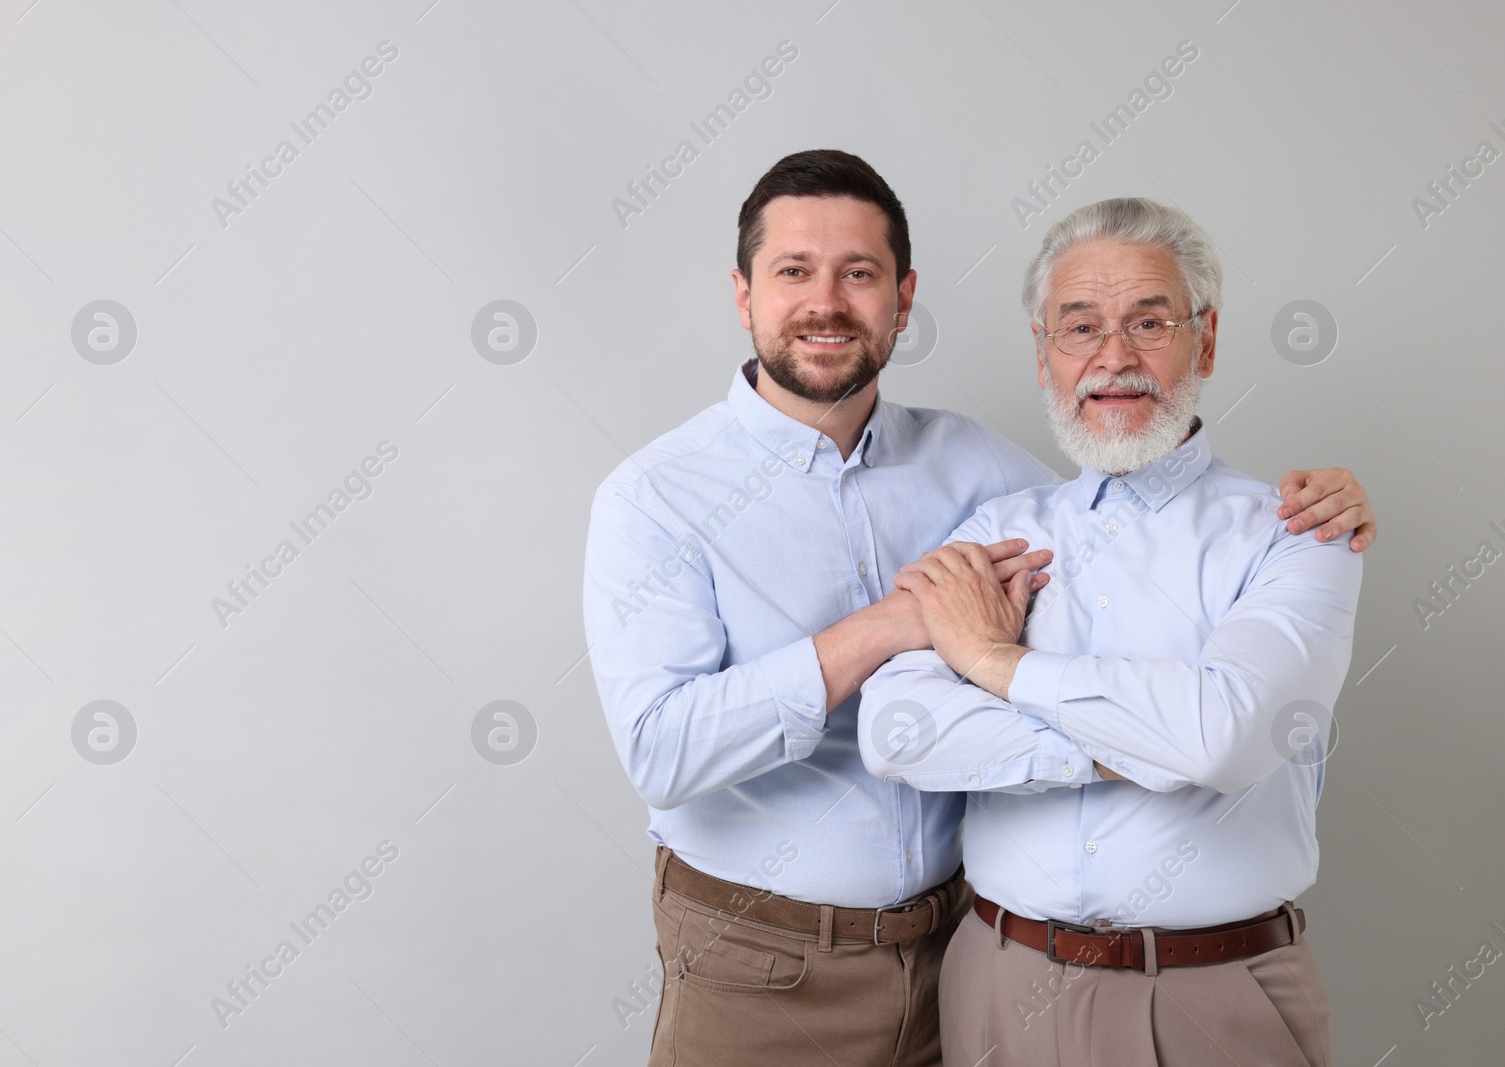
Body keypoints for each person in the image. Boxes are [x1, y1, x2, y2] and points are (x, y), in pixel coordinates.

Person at [582, 152, 1373, 1067]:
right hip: (767, 964)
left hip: (952, 955)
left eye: (860, 273)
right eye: (794, 270)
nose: (826, 301)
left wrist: (1010, 673)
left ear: (903, 298)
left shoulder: (991, 481)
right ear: (743, 291)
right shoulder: (655, 496)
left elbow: (1128, 502)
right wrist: (1154, 742)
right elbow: (849, 734)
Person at [857, 196, 1359, 1067]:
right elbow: (894, 731)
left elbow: (1224, 737)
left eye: (1149, 322)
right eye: (1080, 326)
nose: (1114, 357)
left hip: (1218, 998)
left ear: (1204, 341)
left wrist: (990, 661)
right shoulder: (990, 533)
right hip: (997, 985)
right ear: (1044, 354)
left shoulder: (1299, 531)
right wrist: (1138, 738)